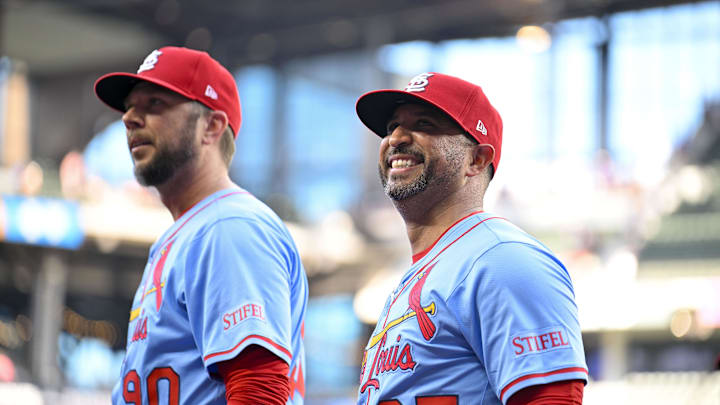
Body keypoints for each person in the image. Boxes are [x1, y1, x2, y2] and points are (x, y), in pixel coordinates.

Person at [354, 72, 588, 405]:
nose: (397, 138)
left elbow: (552, 399)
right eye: (392, 126)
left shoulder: (502, 259)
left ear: (476, 160)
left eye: (424, 123)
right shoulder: (418, 277)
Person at [94, 46, 307, 405]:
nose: (130, 118)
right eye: (130, 107)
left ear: (211, 126)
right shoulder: (187, 234)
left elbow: (258, 388)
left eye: (155, 104)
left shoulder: (229, 226)